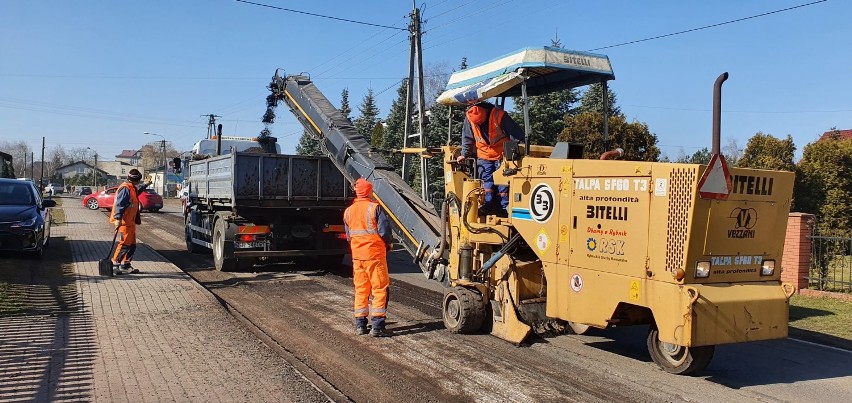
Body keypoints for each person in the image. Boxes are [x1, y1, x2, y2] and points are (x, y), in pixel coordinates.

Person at [343, 178, 393, 337]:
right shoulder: (374, 208)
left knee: (361, 289)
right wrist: (389, 244)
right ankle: (377, 327)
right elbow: (385, 231)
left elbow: (350, 236)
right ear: (369, 191)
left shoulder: (348, 211)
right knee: (379, 288)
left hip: (358, 257)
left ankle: (360, 325)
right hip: (375, 256)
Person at [456, 101, 525, 216]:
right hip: (484, 155)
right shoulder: (470, 119)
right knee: (487, 182)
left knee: (503, 183)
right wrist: (464, 154)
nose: (479, 125)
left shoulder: (500, 116)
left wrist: (519, 150)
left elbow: (516, 135)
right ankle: (486, 205)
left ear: (485, 113)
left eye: (481, 122)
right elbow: (467, 138)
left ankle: (504, 208)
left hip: (501, 154)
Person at [110, 169, 150, 275]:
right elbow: (120, 204)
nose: (139, 182)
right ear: (135, 180)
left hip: (130, 222)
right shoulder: (125, 188)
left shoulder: (131, 187)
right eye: (139, 180)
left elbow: (137, 191)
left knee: (132, 245)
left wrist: (145, 185)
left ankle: (125, 265)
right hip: (124, 222)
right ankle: (114, 265)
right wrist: (117, 219)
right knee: (124, 244)